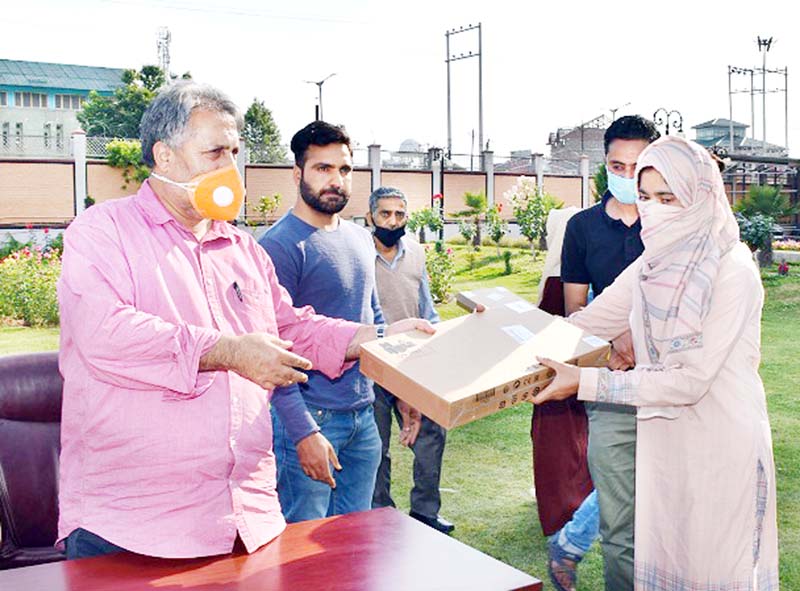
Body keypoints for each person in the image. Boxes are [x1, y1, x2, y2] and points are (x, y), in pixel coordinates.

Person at [56, 83, 432, 560]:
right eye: (215, 152)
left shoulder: (241, 249)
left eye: (234, 152)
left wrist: (378, 336)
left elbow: (291, 328)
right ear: (164, 156)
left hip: (245, 519)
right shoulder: (103, 232)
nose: (230, 169)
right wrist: (229, 352)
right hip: (134, 526)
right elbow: (104, 334)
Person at [535, 135, 779, 590]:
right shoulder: (653, 262)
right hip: (665, 439)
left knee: (713, 570)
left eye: (668, 198)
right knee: (667, 561)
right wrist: (500, 336)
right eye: (645, 197)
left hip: (721, 441)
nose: (653, 209)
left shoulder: (733, 269)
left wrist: (585, 382)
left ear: (701, 196)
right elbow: (587, 323)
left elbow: (689, 382)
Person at [546, 115, 659, 591]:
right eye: (618, 165)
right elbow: (575, 309)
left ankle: (570, 543)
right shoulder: (583, 227)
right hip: (610, 379)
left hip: (671, 379)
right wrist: (615, 343)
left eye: (639, 166)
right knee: (621, 512)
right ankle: (574, 546)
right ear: (604, 166)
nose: (628, 176)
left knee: (657, 493)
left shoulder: (669, 221)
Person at [259, 121, 387, 522]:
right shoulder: (278, 247)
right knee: (303, 555)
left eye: (344, 170)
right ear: (297, 173)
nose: (336, 180)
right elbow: (271, 349)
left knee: (355, 545)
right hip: (311, 417)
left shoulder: (360, 238)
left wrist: (403, 394)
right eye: (323, 168)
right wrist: (302, 432)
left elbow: (374, 317)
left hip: (363, 416)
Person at [367, 186, 454, 534]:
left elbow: (427, 309)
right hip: (371, 363)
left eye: (399, 214)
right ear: (370, 216)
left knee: (433, 433)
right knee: (376, 444)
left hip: (414, 361)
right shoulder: (359, 254)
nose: (392, 220)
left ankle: (426, 512)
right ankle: (379, 514)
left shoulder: (416, 254)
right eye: (385, 214)